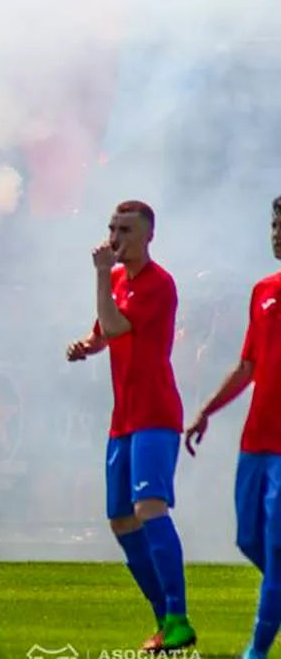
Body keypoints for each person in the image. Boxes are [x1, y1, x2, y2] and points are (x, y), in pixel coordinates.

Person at [65, 200, 194, 652]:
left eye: (125, 230)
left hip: (155, 412)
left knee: (148, 509)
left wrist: (100, 277)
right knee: (120, 519)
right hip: (124, 416)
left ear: (148, 236)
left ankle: (178, 614)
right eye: (112, 228)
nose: (114, 238)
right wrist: (87, 344)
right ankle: (165, 620)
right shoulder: (119, 278)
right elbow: (106, 330)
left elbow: (119, 326)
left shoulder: (159, 284)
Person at [184, 195, 281, 659]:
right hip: (257, 440)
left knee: (279, 544)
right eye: (275, 224)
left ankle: (257, 650)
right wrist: (207, 409)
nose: (276, 233)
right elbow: (247, 366)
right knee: (249, 538)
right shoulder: (262, 290)